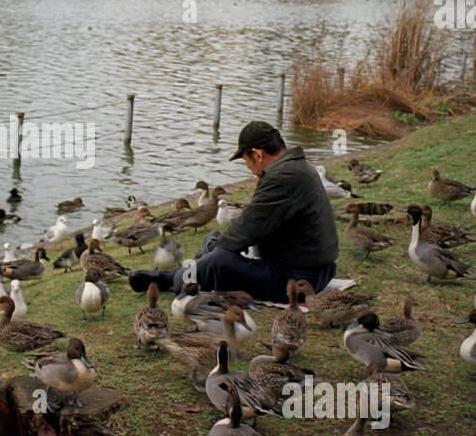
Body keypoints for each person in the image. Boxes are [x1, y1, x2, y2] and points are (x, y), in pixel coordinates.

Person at [129, 121, 338, 301]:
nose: (247, 166)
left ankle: (178, 279)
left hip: (299, 279)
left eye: (246, 160)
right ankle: (186, 273)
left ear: (257, 154)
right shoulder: (295, 167)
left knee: (219, 258)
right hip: (304, 267)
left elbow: (245, 230)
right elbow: (257, 222)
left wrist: (213, 258)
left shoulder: (282, 177)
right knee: (213, 240)